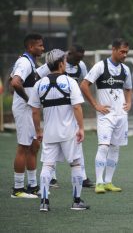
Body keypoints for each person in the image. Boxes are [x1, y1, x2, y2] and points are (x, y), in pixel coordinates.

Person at [29, 49, 90, 211]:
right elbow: (77, 107)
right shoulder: (70, 82)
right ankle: (77, 201)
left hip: (49, 132)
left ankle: (44, 202)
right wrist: (81, 128)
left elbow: (34, 111)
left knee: (47, 166)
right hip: (69, 131)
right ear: (62, 63)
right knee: (76, 163)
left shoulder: (39, 84)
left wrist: (38, 131)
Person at [36, 44, 94, 188]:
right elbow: (36, 76)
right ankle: (53, 178)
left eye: (81, 58)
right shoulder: (55, 62)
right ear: (69, 55)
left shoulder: (81, 66)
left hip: (70, 107)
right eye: (76, 58)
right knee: (54, 142)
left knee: (74, 142)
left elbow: (84, 83)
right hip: (54, 107)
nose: (78, 61)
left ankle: (83, 177)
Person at [80, 38, 132, 193]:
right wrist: (96, 105)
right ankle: (99, 182)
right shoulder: (100, 66)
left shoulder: (125, 69)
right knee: (103, 147)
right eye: (122, 52)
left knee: (115, 148)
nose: (124, 55)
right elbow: (84, 85)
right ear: (114, 50)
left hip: (121, 116)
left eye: (126, 52)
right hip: (105, 116)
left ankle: (109, 182)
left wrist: (128, 103)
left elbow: (128, 88)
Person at [10, 33, 44, 198]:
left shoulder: (30, 62)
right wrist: (28, 100)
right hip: (24, 109)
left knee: (34, 145)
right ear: (31, 47)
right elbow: (15, 82)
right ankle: (17, 190)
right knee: (23, 146)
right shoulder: (24, 62)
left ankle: (32, 186)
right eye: (40, 45)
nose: (42, 48)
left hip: (27, 109)